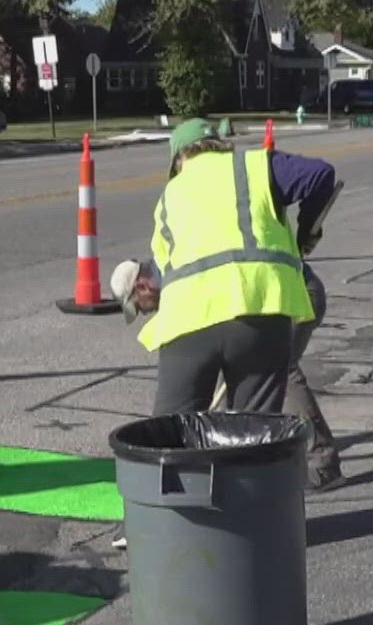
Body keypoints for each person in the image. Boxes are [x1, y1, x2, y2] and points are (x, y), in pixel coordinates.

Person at [133, 119, 326, 416]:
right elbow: (320, 175)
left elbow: (163, 263)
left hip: (188, 319)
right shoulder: (256, 165)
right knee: (252, 431)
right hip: (260, 312)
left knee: (172, 431)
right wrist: (306, 232)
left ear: (180, 158)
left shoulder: (169, 196)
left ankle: (178, 461)